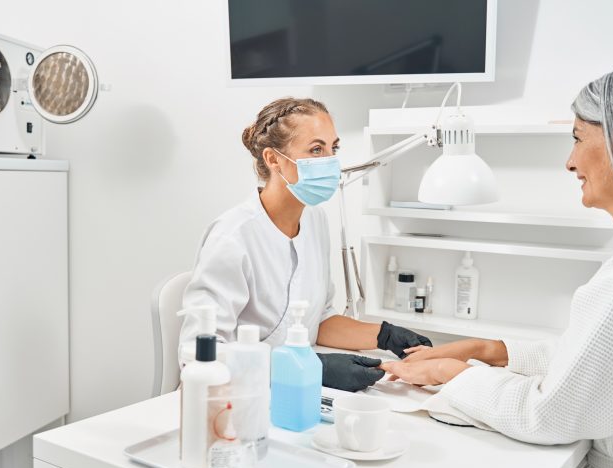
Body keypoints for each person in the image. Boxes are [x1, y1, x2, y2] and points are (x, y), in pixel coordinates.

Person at [382, 64, 613, 468]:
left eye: (579, 138)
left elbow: (554, 415)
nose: (569, 161)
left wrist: (452, 375)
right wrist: (489, 350)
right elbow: (593, 361)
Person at [179, 97, 432, 392]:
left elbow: (318, 321)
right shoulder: (233, 236)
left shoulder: (315, 221)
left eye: (332, 148)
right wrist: (312, 368)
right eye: (316, 149)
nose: (330, 161)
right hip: (231, 395)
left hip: (293, 389)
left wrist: (385, 336)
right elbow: (199, 354)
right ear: (274, 160)